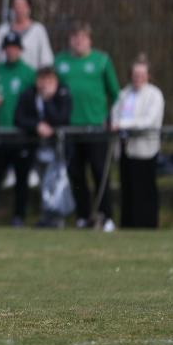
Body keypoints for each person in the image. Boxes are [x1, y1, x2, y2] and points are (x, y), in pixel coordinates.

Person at [55, 21, 120, 231]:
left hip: (96, 127)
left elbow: (116, 94)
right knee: (75, 174)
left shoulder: (101, 61)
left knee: (100, 172)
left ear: (89, 39)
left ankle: (106, 216)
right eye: (74, 37)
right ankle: (82, 216)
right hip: (70, 129)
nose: (78, 41)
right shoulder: (59, 62)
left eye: (82, 37)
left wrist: (113, 118)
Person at [14, 66, 73, 227]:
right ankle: (47, 216)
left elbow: (62, 119)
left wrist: (48, 100)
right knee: (43, 184)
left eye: (49, 80)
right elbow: (19, 118)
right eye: (42, 80)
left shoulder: (62, 93)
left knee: (54, 183)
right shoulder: (29, 94)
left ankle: (56, 217)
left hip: (58, 148)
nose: (44, 84)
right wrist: (36, 126)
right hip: (36, 147)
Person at [112, 56, 164, 229]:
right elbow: (115, 114)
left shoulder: (155, 94)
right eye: (135, 74)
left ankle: (148, 225)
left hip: (145, 150)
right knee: (128, 189)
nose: (138, 78)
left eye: (142, 74)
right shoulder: (124, 93)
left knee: (145, 190)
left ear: (148, 76)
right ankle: (128, 225)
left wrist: (123, 125)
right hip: (125, 149)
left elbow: (148, 121)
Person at [0, 31, 36, 226]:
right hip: (0, 135)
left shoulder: (29, 74)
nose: (11, 51)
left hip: (22, 136)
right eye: (8, 48)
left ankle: (19, 216)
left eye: (14, 48)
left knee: (21, 180)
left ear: (20, 49)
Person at [0, 0, 54, 70]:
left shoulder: (38, 30)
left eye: (22, 6)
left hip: (30, 79)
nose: (19, 9)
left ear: (29, 8)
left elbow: (46, 59)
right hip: (6, 78)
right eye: (16, 6)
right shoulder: (3, 30)